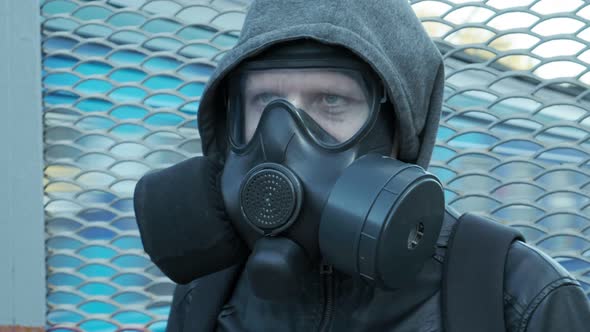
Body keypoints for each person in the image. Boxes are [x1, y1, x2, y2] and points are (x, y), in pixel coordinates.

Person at [134, 0, 590, 331]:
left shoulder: (518, 296)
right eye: (265, 101)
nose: (281, 140)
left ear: (398, 131)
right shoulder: (207, 292)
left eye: (331, 100)